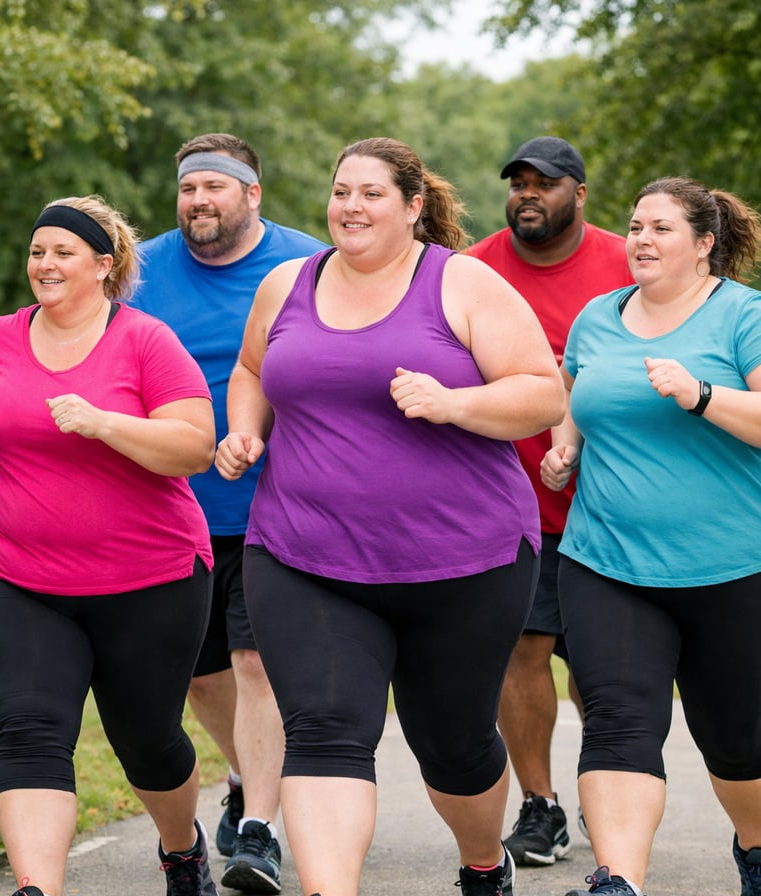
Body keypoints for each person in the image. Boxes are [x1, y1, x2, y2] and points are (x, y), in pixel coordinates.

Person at [214, 136, 565, 896]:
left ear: (412, 207)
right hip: (306, 555)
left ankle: (482, 864)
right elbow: (251, 371)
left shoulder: (462, 283)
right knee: (325, 729)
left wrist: (454, 403)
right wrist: (245, 430)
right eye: (342, 191)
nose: (351, 206)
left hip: (464, 561)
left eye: (371, 193)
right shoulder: (286, 283)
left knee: (455, 745)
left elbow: (543, 392)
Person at [540, 176, 761, 896]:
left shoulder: (742, 317)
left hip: (732, 567)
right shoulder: (598, 317)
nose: (641, 239)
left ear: (704, 245)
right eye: (635, 226)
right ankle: (618, 881)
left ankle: (756, 852)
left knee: (739, 743)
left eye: (661, 228)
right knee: (615, 722)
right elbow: (576, 395)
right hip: (607, 560)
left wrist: (700, 394)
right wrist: (565, 446)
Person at [0, 195, 218, 896]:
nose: (46, 264)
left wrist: (105, 423)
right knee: (29, 729)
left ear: (103, 263)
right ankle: (37, 887)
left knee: (147, 739)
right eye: (38, 251)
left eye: (63, 251)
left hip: (150, 580)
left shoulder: (145, 341)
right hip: (21, 578)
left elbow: (195, 448)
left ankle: (182, 849)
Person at [132, 132, 327, 894]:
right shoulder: (139, 270)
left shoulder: (304, 265)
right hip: (170, 506)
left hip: (276, 505)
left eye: (215, 187)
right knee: (202, 675)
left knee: (255, 664)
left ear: (252, 195)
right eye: (188, 189)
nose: (198, 201)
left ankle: (260, 832)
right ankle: (253, 780)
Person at [467, 135, 633, 867]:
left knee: (604, 668)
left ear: (580, 194)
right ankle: (541, 805)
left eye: (546, 182)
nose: (528, 194)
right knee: (518, 653)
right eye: (519, 182)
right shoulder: (474, 270)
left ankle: (612, 792)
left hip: (614, 508)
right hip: (512, 509)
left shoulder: (625, 265)